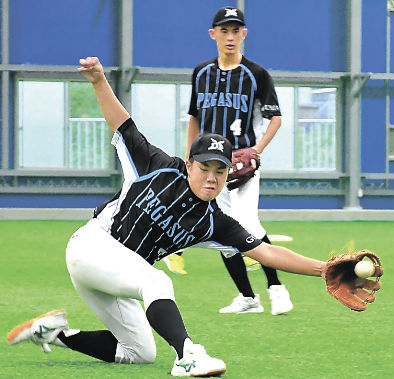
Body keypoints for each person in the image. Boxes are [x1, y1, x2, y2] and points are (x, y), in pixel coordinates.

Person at [6, 57, 328, 377]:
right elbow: (122, 123)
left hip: (119, 272)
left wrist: (325, 269)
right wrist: (99, 81)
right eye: (204, 168)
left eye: (220, 170)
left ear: (229, 173)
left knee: (139, 352)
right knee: (157, 279)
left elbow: (267, 252)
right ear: (189, 164)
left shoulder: (214, 221)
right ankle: (186, 355)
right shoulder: (156, 165)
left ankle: (53, 333)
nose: (212, 178)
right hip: (90, 248)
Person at [175, 6, 292, 315]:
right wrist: (190, 161)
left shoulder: (256, 74)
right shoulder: (201, 72)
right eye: (224, 30)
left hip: (242, 166)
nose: (230, 36)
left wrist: (257, 150)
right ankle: (248, 298)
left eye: (235, 30)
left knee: (248, 223)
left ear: (244, 34)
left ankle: (276, 288)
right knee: (222, 230)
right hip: (210, 168)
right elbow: (194, 119)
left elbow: (275, 119)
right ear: (213, 34)